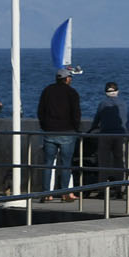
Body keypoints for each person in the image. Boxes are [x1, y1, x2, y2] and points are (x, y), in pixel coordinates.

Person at [36, 70, 83, 201]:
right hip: (67, 132)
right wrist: (76, 128)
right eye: (70, 77)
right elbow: (76, 113)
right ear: (67, 79)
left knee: (48, 164)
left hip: (49, 132)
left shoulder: (47, 91)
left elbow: (40, 111)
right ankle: (65, 193)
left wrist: (45, 126)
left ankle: (46, 193)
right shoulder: (72, 93)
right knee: (66, 164)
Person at [86, 80, 129, 195]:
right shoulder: (123, 103)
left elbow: (97, 120)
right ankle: (120, 189)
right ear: (117, 91)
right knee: (119, 162)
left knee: (104, 163)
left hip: (105, 135)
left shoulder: (103, 104)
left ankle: (102, 189)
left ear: (106, 92)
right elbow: (126, 120)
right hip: (120, 135)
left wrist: (92, 129)